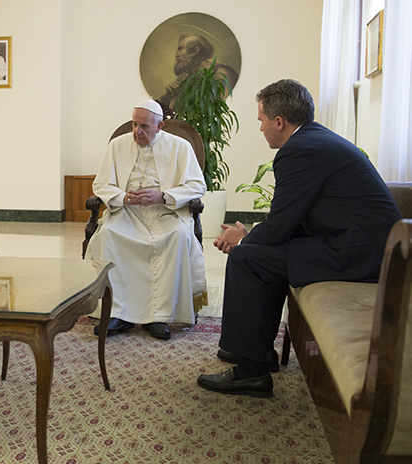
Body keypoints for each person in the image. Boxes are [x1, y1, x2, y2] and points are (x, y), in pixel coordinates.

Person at [197, 79, 402, 398]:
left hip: (361, 255)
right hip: (361, 245)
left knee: (246, 258)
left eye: (262, 120)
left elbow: (279, 225)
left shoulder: (300, 151)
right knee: (263, 255)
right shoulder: (314, 139)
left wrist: (243, 238)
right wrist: (251, 236)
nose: (261, 127)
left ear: (279, 122)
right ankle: (258, 352)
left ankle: (251, 373)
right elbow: (290, 219)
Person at [85, 99, 208, 340]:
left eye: (144, 126)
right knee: (109, 235)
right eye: (134, 125)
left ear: (160, 125)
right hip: (127, 212)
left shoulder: (180, 147)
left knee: (178, 236)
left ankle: (159, 316)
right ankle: (117, 313)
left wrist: (164, 196)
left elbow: (197, 185)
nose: (137, 132)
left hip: (165, 212)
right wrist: (122, 197)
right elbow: (101, 183)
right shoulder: (117, 145)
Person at [158, 34, 239, 109]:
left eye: (181, 49)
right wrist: (165, 96)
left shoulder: (222, 74)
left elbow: (213, 108)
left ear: (195, 51)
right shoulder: (184, 78)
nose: (176, 55)